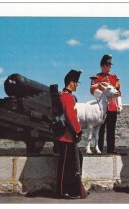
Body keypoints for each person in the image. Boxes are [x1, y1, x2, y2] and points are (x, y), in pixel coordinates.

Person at [56, 69, 88, 199]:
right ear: (72, 83)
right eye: (76, 83)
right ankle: (63, 191)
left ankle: (73, 189)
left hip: (69, 136)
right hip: (66, 136)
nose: (77, 86)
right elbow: (70, 116)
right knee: (65, 167)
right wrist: (78, 130)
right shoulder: (66, 96)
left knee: (74, 163)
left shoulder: (67, 96)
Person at [90, 54, 122, 154]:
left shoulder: (114, 78)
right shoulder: (96, 77)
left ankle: (111, 150)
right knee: (100, 129)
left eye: (110, 65)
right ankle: (98, 148)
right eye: (108, 65)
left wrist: (119, 104)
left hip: (112, 107)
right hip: (101, 108)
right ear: (102, 66)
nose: (109, 67)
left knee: (111, 129)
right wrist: (104, 94)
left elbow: (118, 92)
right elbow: (92, 90)